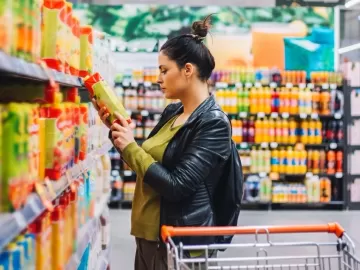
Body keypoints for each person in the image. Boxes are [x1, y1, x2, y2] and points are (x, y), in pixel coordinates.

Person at [93, 15, 232, 270]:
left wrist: (131, 146)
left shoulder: (213, 123)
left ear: (188, 70)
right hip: (148, 236)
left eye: (164, 70)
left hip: (177, 243)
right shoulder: (173, 112)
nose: (158, 78)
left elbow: (177, 186)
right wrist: (117, 132)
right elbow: (145, 165)